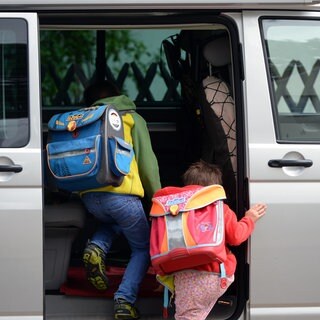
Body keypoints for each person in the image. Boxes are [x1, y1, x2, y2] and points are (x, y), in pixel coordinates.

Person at [81, 80, 161, 320]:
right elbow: (147, 164)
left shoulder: (84, 118)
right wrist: (158, 198)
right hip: (121, 195)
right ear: (119, 95)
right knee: (143, 247)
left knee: (113, 222)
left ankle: (96, 246)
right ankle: (125, 300)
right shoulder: (131, 118)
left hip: (90, 198)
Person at [158, 160, 266, 320]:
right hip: (214, 275)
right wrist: (248, 219)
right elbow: (236, 236)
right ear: (215, 189)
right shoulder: (220, 208)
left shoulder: (174, 212)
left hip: (183, 276)